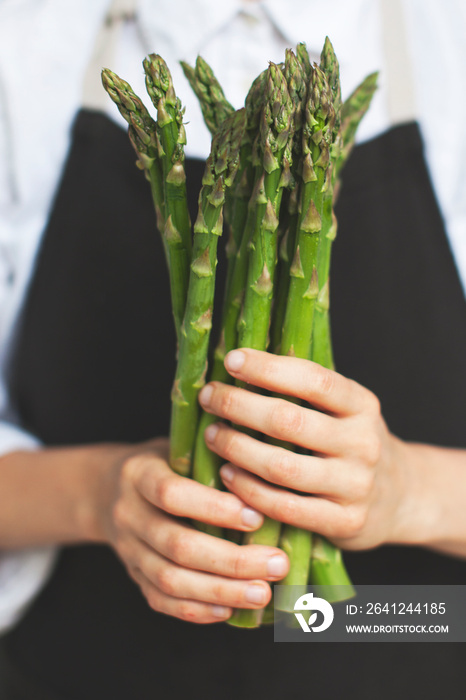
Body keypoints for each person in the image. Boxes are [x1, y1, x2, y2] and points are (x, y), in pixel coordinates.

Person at [0, 0, 465, 698]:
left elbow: (347, 620)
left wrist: (409, 492)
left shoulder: (446, 41)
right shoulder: (24, 51)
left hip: (406, 638)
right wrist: (101, 495)